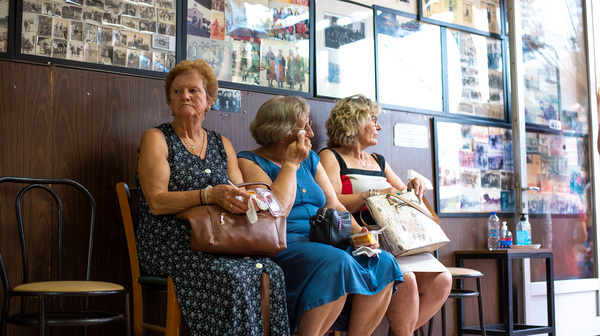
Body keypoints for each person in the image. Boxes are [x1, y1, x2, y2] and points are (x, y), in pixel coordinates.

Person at [136, 59, 290, 336]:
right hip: (172, 242)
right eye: (177, 91)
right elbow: (157, 202)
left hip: (220, 241)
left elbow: (240, 194)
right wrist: (209, 195)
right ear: (169, 100)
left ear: (209, 100)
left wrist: (249, 199)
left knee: (271, 272)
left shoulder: (222, 144)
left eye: (194, 91)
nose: (185, 96)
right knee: (235, 275)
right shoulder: (157, 138)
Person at [237, 96, 403, 335]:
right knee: (338, 262)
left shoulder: (311, 159)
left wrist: (361, 233)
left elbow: (334, 203)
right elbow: (275, 210)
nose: (311, 134)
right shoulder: (249, 160)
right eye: (305, 127)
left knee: (382, 261)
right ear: (282, 130)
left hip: (324, 239)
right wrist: (291, 163)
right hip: (282, 243)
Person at [319, 94, 452, 336]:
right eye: (373, 119)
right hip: (362, 240)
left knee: (443, 280)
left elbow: (403, 196)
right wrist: (373, 194)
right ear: (353, 122)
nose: (379, 126)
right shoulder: (331, 156)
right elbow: (331, 203)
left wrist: (414, 186)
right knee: (408, 280)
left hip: (399, 242)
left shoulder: (379, 160)